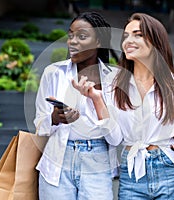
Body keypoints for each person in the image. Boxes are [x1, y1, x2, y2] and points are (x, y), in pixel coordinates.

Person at [72, 13, 174, 200]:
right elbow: (115, 138)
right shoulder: (114, 85)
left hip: (168, 167)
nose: (128, 41)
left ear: (155, 40)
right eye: (126, 36)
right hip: (132, 172)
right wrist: (97, 99)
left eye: (137, 34)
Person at [34, 12, 121, 200]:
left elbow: (115, 138)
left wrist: (96, 100)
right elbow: (39, 126)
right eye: (70, 35)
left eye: (82, 36)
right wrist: (54, 118)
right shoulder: (53, 73)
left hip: (97, 161)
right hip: (58, 160)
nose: (72, 41)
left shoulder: (114, 80)